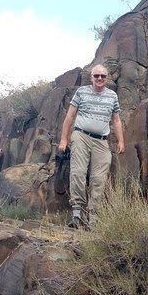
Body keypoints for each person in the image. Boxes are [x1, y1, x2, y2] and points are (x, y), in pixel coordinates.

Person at [58, 64, 125, 228]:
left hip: (101, 140)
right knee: (78, 172)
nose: (100, 79)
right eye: (97, 76)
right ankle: (77, 214)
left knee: (99, 178)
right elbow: (70, 115)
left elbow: (116, 120)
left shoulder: (112, 96)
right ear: (91, 77)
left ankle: (93, 217)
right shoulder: (82, 92)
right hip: (81, 136)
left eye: (103, 76)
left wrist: (121, 141)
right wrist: (64, 139)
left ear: (107, 77)